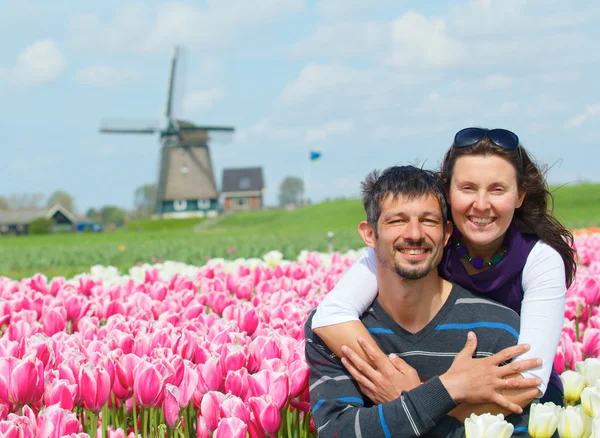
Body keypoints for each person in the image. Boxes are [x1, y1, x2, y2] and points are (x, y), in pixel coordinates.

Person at [311, 127, 577, 412]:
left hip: (514, 409)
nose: (482, 204)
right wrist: (393, 381)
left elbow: (529, 380)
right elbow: (332, 314)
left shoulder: (540, 260)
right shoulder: (426, 242)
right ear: (448, 191)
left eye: (497, 189)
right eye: (468, 188)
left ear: (520, 196)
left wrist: (419, 399)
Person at [305, 165, 542, 437]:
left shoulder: (498, 329)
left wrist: (409, 401)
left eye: (428, 220)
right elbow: (339, 432)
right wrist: (448, 389)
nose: (414, 234)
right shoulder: (336, 334)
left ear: (447, 233)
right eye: (397, 221)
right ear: (370, 234)